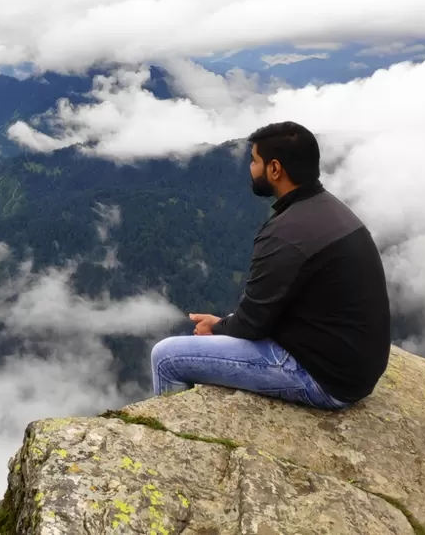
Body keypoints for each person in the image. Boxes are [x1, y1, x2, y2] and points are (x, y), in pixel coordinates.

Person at [149, 121, 391, 409]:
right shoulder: (334, 211)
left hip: (324, 379)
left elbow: (251, 324)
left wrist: (219, 327)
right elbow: (268, 310)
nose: (251, 169)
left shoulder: (285, 232)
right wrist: (224, 323)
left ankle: (174, 438)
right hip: (354, 370)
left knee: (165, 357)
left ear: (275, 169)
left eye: (255, 161)